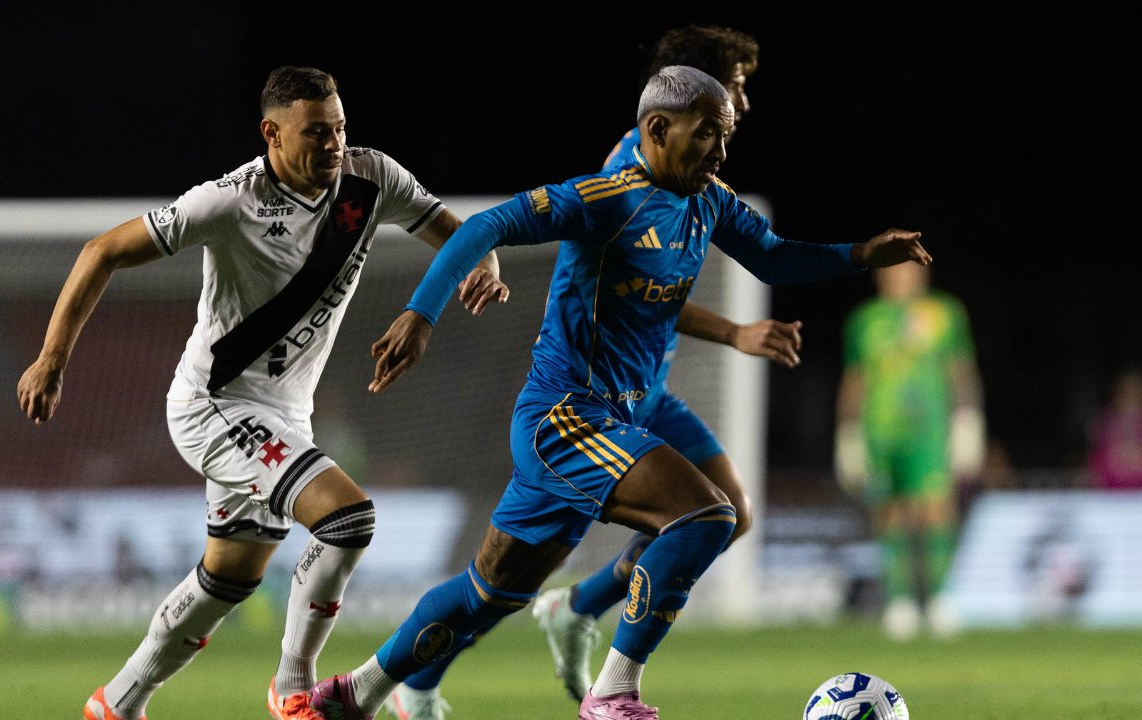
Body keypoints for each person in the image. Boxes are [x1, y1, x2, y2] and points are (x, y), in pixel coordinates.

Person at [290, 65, 929, 720]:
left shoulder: (708, 199)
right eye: (708, 133)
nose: (720, 150)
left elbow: (773, 256)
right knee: (706, 515)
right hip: (563, 417)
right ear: (657, 128)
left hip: (611, 418)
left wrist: (858, 255)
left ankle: (352, 693)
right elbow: (488, 227)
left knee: (489, 594)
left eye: (726, 136)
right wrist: (421, 314)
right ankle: (613, 693)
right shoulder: (609, 197)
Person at [15, 66, 508, 720]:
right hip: (212, 406)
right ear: (271, 135)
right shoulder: (228, 201)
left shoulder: (370, 178)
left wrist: (480, 266)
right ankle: (293, 689)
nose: (333, 145)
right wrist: (51, 359)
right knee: (348, 520)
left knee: (227, 579)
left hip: (284, 417)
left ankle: (118, 702)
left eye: (338, 128)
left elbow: (463, 233)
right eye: (315, 133)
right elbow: (103, 249)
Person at [382, 24, 805, 719]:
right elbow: (623, 280)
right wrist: (732, 331)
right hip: (589, 395)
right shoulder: (629, 171)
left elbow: (662, 291)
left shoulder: (695, 175)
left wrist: (735, 332)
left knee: (725, 513)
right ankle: (421, 676)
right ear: (695, 86)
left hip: (648, 390)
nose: (745, 102)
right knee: (505, 576)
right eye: (737, 83)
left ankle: (580, 608)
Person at [833, 261, 984, 640]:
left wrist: (968, 420)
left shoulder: (944, 312)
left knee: (936, 510)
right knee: (891, 514)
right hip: (881, 430)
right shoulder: (864, 320)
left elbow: (960, 369)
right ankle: (898, 602)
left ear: (922, 273)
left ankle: (938, 599)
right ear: (880, 275)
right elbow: (855, 378)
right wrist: (847, 433)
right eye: (893, 269)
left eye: (908, 269)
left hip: (929, 429)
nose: (901, 277)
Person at [1084, 366, 1142, 490]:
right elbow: (1096, 459)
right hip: (1110, 493)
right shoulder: (1103, 422)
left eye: (1135, 390)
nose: (1130, 395)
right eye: (1125, 391)